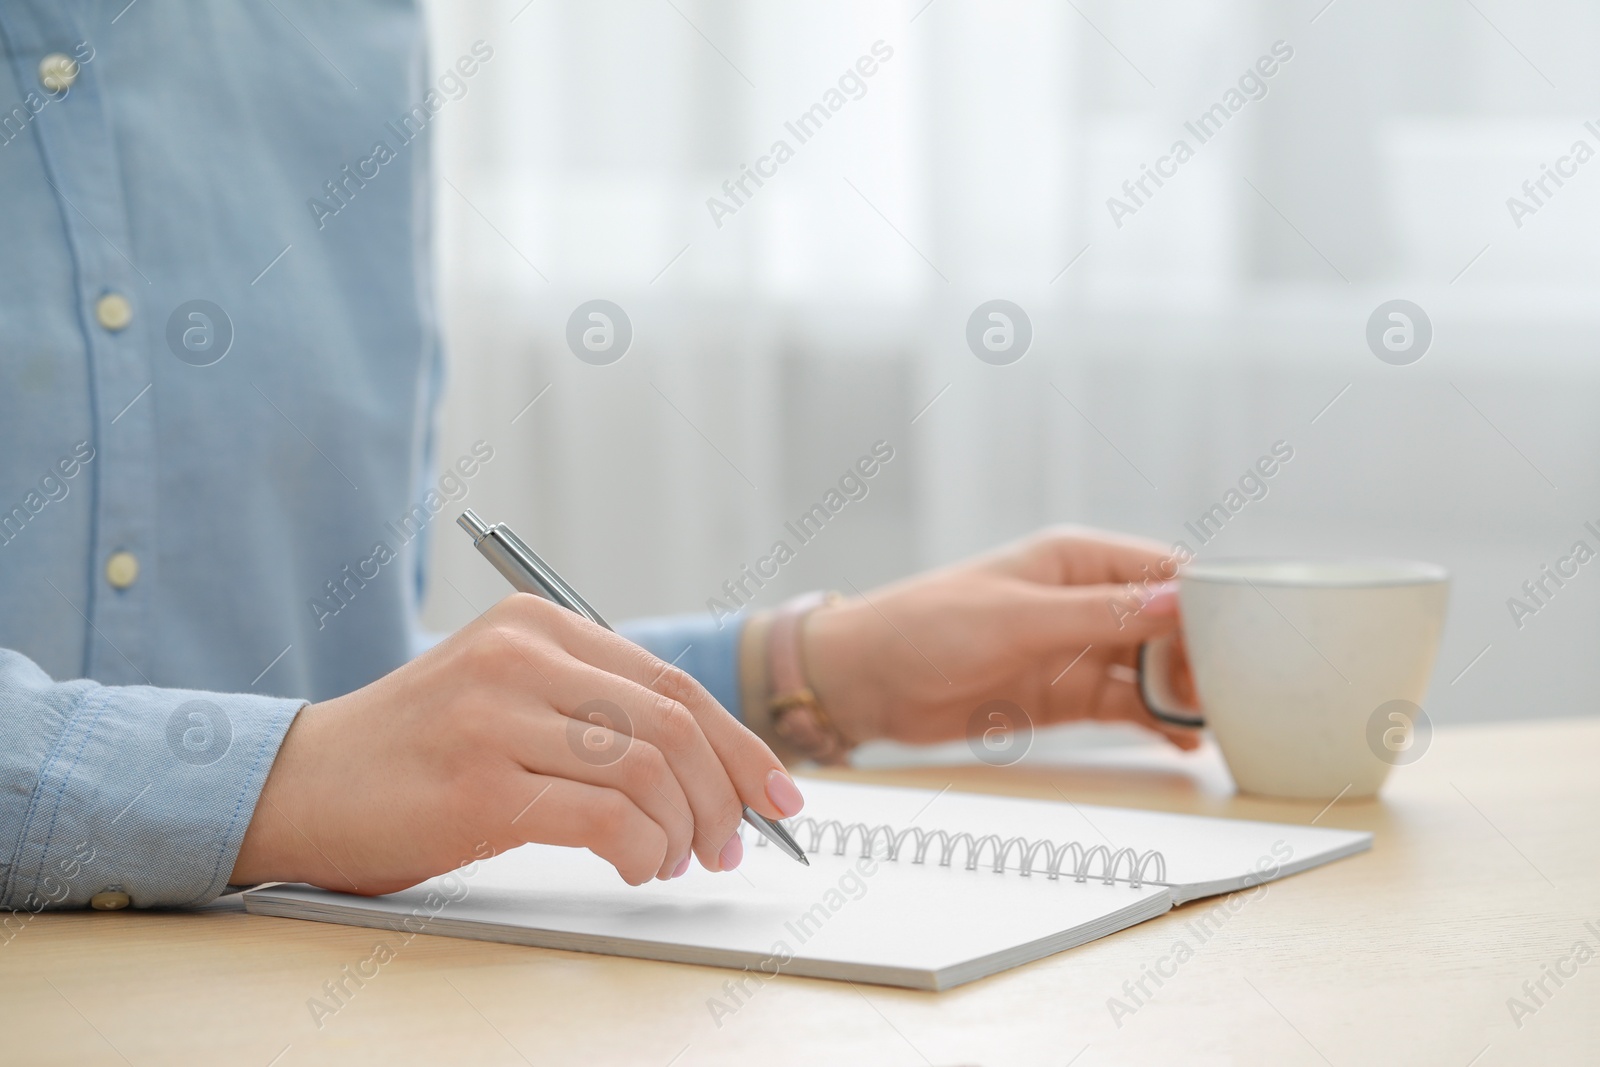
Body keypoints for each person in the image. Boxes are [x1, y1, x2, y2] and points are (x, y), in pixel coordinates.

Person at [0, 3, 1194, 913]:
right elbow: (309, 764)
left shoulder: (346, 42)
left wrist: (815, 670)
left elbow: (335, 710)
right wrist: (289, 779)